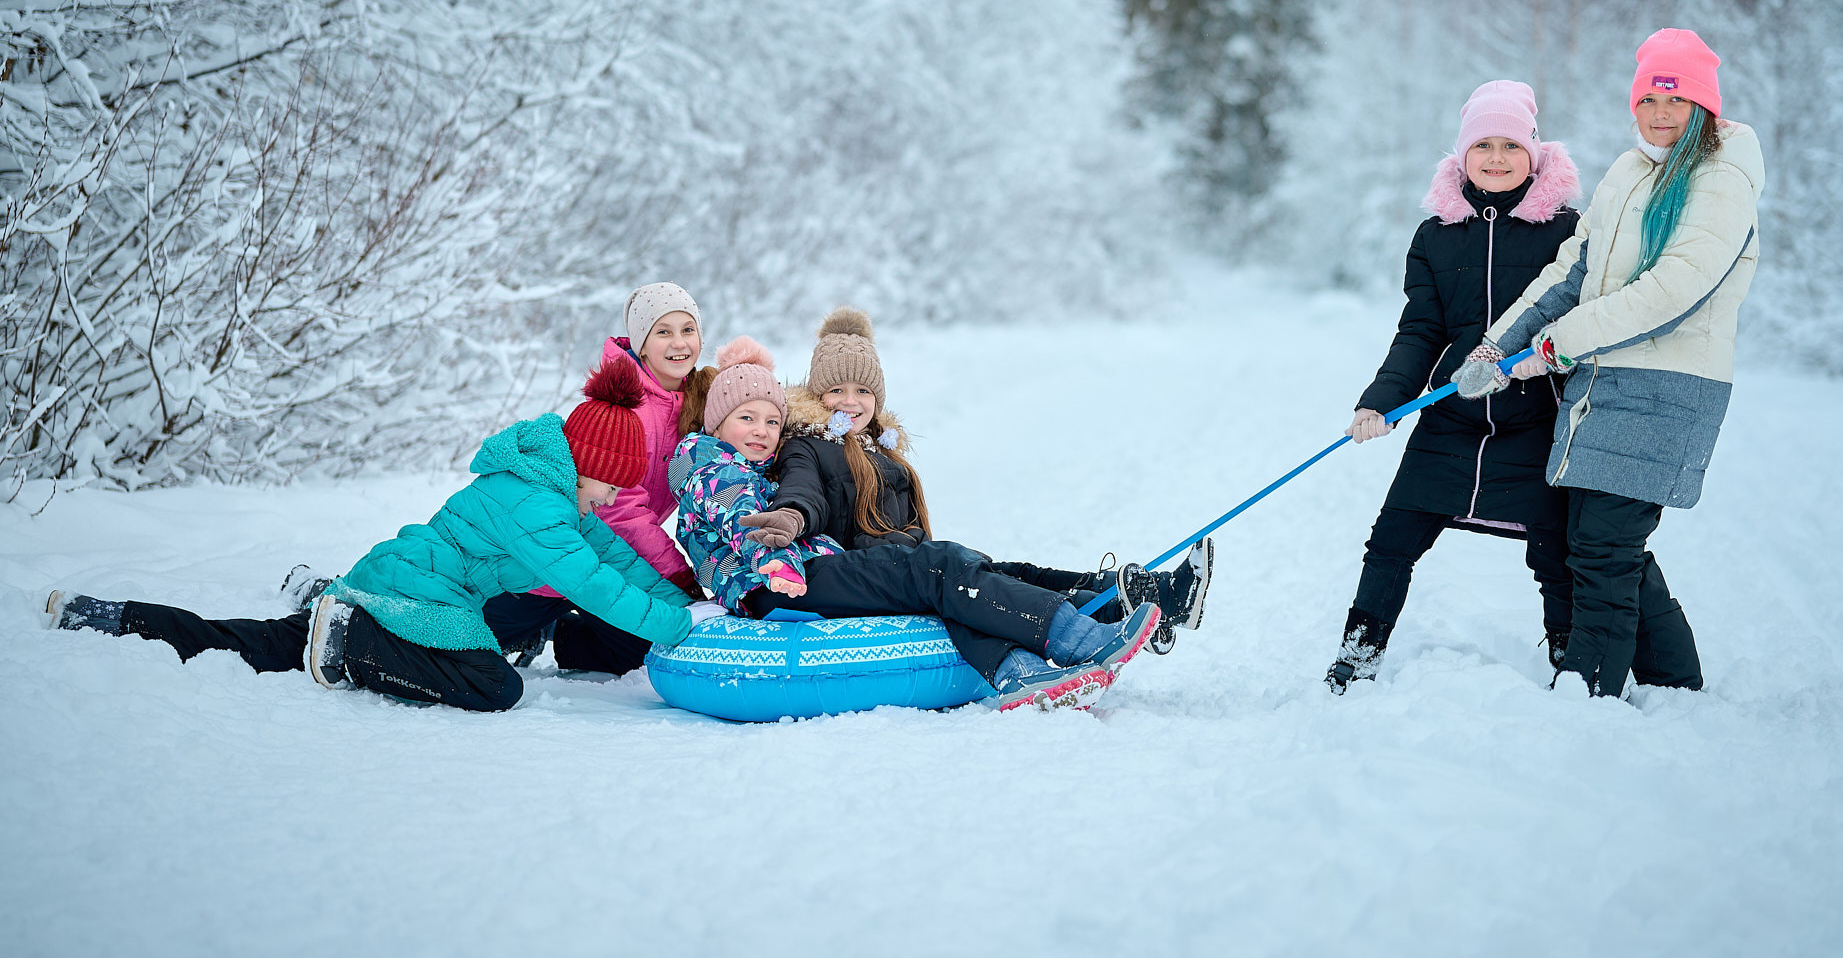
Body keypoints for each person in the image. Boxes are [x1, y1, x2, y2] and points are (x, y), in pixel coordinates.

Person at [44, 357, 695, 713]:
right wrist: (680, 630)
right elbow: (594, 583)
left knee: (258, 643)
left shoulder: (554, 491)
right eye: (613, 483)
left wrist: (679, 603)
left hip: (406, 584)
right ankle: (353, 641)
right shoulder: (536, 505)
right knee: (494, 685)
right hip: (411, 596)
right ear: (591, 466)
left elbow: (617, 558)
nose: (615, 498)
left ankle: (104, 615)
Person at [1454, 28, 1762, 698]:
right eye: (1649, 97)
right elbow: (1571, 274)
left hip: (1666, 385)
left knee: (1601, 543)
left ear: (1703, 106)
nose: (1659, 112)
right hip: (1605, 381)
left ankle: (1587, 694)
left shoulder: (1722, 178)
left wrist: (1556, 346)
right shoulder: (1630, 173)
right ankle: (1674, 682)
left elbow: (1673, 290)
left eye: (1674, 100)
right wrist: (1497, 347)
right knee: (1596, 539)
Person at [669, 337, 1162, 712]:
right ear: (715, 424)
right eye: (746, 418)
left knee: (955, 574)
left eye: (771, 422)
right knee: (939, 568)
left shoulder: (763, 461)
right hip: (781, 582)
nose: (761, 431)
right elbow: (754, 519)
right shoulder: (711, 465)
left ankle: (1023, 673)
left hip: (809, 569)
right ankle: (1081, 640)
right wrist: (783, 536)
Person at [746, 307, 1212, 653]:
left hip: (899, 568)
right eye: (837, 390)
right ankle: (1079, 638)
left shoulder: (882, 452)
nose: (851, 401)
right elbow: (802, 488)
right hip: (858, 574)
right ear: (817, 394)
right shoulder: (808, 445)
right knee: (948, 564)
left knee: (1007, 572)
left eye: (863, 390)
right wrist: (792, 516)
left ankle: (1142, 601)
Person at [1327, 81, 1582, 692]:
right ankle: (1355, 665)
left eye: (1510, 146)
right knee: (1390, 541)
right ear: (1462, 155)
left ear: (1535, 154)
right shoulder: (1436, 236)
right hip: (1452, 419)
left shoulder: (1568, 231)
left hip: (1535, 420)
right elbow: (1420, 331)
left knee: (1557, 557)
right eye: (1483, 145)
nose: (1496, 158)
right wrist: (1380, 400)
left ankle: (1573, 674)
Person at [484, 281, 712, 674]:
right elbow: (620, 510)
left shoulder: (694, 401)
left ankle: (565, 633)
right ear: (641, 344)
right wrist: (677, 576)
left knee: (638, 652)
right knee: (476, 639)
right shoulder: (624, 409)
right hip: (554, 558)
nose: (679, 343)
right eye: (664, 331)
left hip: (617, 556)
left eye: (687, 330)